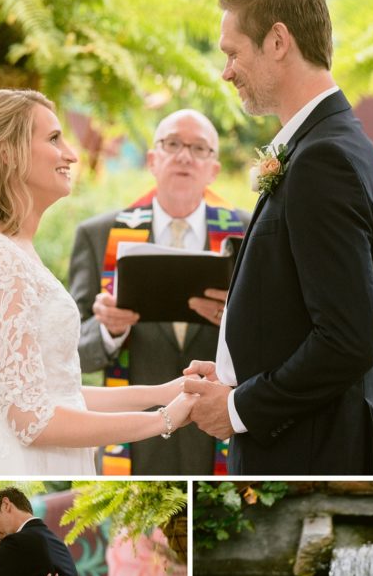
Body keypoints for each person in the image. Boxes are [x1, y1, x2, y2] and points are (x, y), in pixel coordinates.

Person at [184, 0, 373, 475]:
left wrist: (237, 408)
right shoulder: (325, 143)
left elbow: (346, 341)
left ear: (278, 41)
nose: (226, 72)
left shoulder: (324, 159)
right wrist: (237, 372)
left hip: (311, 452)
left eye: (233, 54)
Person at [0, 89, 198, 475]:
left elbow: (60, 395)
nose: (71, 154)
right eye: (53, 138)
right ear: (8, 152)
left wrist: (165, 392)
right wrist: (162, 420)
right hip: (16, 465)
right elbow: (32, 420)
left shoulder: (13, 251)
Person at [69, 109, 249, 475]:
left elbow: (277, 335)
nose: (184, 156)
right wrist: (110, 329)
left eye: (199, 148)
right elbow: (71, 357)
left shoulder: (248, 234)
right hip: (136, 437)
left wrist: (236, 319)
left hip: (218, 434)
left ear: (214, 168)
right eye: (173, 144)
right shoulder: (98, 235)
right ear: (153, 160)